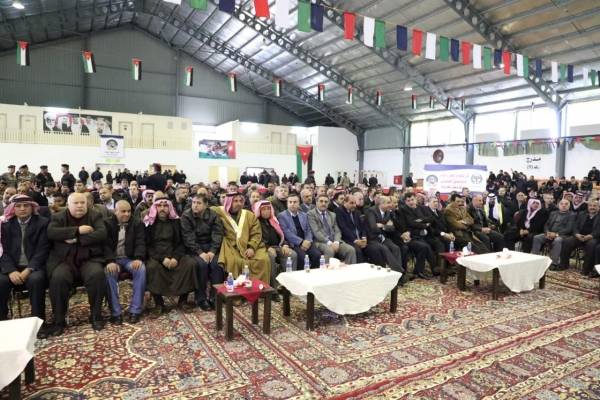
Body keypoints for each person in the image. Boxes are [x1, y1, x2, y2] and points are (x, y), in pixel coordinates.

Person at [46, 192, 107, 336]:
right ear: (68, 205)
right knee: (58, 278)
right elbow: (52, 232)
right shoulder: (58, 217)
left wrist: (77, 239)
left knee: (97, 274)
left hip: (89, 258)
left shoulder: (95, 215)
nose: (80, 206)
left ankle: (96, 316)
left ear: (87, 204)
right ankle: (59, 320)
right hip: (64, 259)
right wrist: (77, 230)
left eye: (82, 203)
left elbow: (101, 233)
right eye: (76, 203)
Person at [0, 195, 49, 330]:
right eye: (18, 206)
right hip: (12, 268)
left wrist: (29, 269)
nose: (22, 209)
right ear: (13, 209)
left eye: (26, 205)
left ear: (32, 207)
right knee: (1, 282)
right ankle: (2, 323)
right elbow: (2, 251)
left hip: (35, 267)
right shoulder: (5, 225)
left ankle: (39, 324)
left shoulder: (43, 223)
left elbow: (43, 249)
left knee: (36, 280)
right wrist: (11, 270)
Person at [144, 193, 197, 314]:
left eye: (165, 205)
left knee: (190, 264)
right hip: (156, 256)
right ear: (155, 207)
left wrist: (175, 258)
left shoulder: (176, 222)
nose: (162, 208)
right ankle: (159, 303)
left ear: (170, 207)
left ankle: (183, 301)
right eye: (159, 206)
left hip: (174, 253)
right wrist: (162, 258)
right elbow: (148, 246)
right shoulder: (149, 223)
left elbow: (182, 243)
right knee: (151, 267)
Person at [212, 192, 271, 282]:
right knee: (233, 261)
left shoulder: (249, 215)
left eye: (240, 201)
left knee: (263, 259)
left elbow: (256, 233)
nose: (239, 203)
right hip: (231, 247)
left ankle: (259, 287)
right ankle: (235, 287)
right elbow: (203, 208)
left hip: (249, 246)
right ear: (228, 202)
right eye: (235, 201)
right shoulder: (218, 212)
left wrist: (252, 247)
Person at [104, 200, 146, 324]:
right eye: (123, 211)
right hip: (113, 259)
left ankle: (135, 310)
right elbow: (104, 245)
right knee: (109, 272)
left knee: (141, 269)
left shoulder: (137, 223)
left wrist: (138, 258)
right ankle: (116, 313)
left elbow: (140, 242)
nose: (127, 214)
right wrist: (110, 261)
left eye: (129, 211)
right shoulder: (106, 223)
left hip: (129, 258)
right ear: (115, 211)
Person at [181, 194, 224, 311]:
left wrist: (212, 251)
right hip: (194, 249)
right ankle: (201, 299)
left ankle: (215, 297)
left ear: (206, 205)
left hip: (211, 247)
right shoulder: (186, 216)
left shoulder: (213, 215)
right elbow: (188, 238)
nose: (195, 205)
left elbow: (218, 234)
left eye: (199, 203)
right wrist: (200, 252)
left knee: (217, 264)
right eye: (194, 202)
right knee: (202, 265)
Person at [254, 200, 297, 297]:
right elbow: (255, 239)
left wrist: (285, 245)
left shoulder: (273, 220)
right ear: (259, 211)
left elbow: (282, 235)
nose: (266, 211)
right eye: (264, 209)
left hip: (277, 246)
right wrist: (267, 248)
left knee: (292, 255)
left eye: (268, 209)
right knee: (271, 257)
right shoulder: (255, 222)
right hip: (262, 249)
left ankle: (287, 286)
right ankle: (273, 290)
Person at [364, 196, 406, 277]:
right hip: (372, 239)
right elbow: (373, 228)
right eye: (388, 203)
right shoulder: (371, 211)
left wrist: (383, 226)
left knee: (395, 248)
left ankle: (396, 275)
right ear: (381, 204)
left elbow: (392, 228)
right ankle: (399, 272)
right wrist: (386, 226)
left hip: (383, 238)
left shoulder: (388, 212)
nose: (390, 205)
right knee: (385, 249)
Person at [307, 195, 356, 264]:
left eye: (326, 202)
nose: (323, 203)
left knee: (350, 250)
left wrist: (336, 242)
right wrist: (329, 243)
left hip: (334, 241)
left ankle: (348, 270)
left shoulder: (332, 214)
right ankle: (326, 270)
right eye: (321, 201)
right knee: (329, 251)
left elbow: (337, 231)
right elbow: (316, 232)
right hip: (320, 241)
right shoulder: (311, 214)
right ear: (316, 202)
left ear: (328, 203)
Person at [278, 194, 322, 269]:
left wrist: (308, 241)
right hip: (293, 243)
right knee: (303, 257)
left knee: (317, 255)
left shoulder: (304, 215)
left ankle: (312, 273)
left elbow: (308, 230)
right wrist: (301, 242)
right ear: (287, 203)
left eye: (295, 202)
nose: (292, 204)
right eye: (290, 202)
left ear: (299, 203)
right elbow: (287, 233)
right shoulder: (282, 216)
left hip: (306, 242)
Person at [532, 199, 575, 269]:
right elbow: (546, 224)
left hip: (562, 235)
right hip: (549, 234)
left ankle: (554, 263)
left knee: (557, 240)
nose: (563, 205)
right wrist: (547, 232)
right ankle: (534, 259)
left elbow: (569, 229)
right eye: (561, 204)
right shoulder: (553, 213)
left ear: (569, 206)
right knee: (537, 237)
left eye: (566, 204)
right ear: (558, 205)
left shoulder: (572, 215)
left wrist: (556, 234)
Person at [560, 198, 599, 275]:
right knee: (567, 241)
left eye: (594, 206)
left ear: (598, 207)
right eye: (590, 205)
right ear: (588, 206)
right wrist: (577, 234)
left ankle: (586, 269)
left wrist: (590, 236)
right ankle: (563, 265)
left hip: (593, 237)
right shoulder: (581, 214)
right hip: (579, 236)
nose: (592, 207)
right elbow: (575, 226)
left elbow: (598, 230)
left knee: (591, 245)